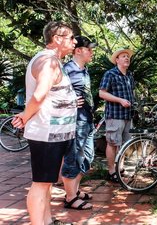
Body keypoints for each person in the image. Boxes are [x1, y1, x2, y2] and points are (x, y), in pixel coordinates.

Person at [12, 21, 77, 225]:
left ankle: (47, 221)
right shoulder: (47, 62)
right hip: (46, 134)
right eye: (71, 38)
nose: (75, 42)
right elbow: (39, 96)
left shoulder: (53, 61)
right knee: (40, 184)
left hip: (56, 134)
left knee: (47, 183)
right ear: (57, 39)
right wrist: (24, 116)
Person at [61, 36, 98, 210]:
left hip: (87, 120)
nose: (91, 52)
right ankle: (70, 198)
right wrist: (70, 102)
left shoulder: (84, 70)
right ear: (78, 51)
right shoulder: (67, 69)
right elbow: (54, 92)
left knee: (88, 157)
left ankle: (74, 191)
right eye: (89, 49)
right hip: (75, 121)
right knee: (73, 158)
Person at [99, 48, 135, 182]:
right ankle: (111, 171)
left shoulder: (129, 75)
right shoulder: (110, 74)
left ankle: (120, 168)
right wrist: (120, 100)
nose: (127, 58)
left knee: (125, 144)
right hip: (115, 115)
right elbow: (102, 93)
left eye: (128, 57)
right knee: (113, 143)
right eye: (123, 56)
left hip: (128, 115)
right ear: (117, 60)